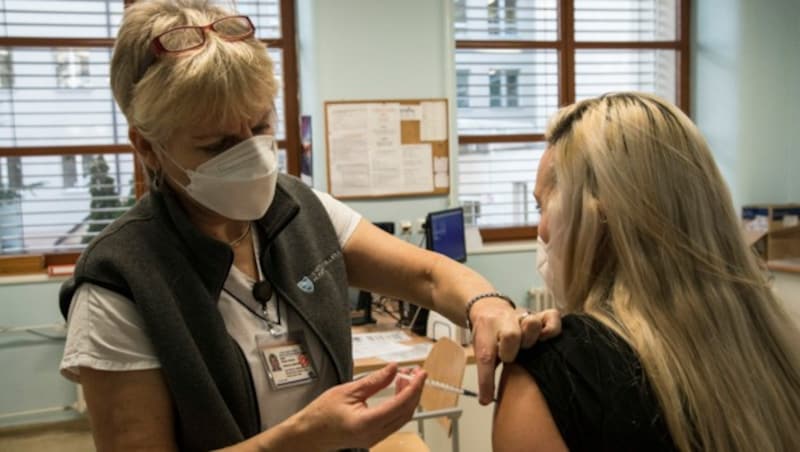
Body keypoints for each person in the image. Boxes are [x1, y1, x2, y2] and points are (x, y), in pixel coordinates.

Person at [56, 1, 561, 451]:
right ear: (146, 147)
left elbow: (428, 276)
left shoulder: (300, 210)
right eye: (215, 146)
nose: (251, 157)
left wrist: (485, 305)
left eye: (259, 128)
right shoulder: (119, 284)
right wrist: (301, 439)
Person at [493, 93, 800, 452]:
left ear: (593, 217)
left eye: (541, 206)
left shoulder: (556, 372)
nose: (541, 229)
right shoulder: (771, 347)